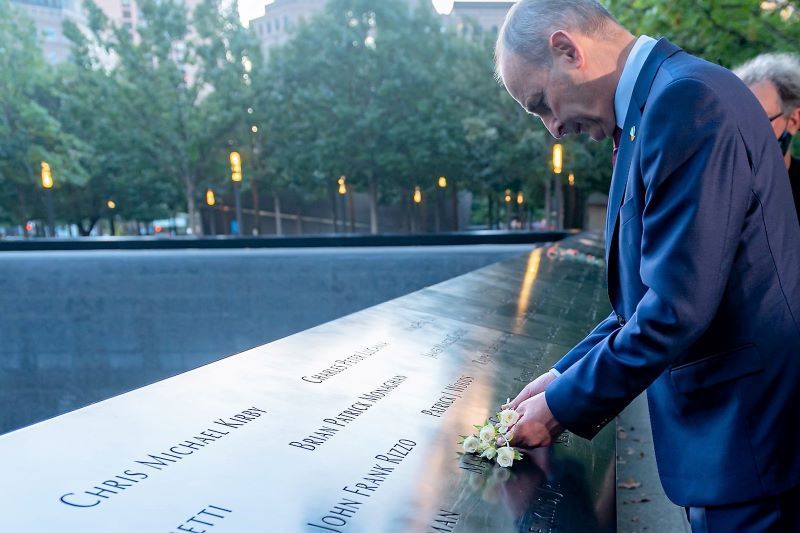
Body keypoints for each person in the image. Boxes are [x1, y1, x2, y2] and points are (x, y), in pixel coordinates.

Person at [494, 1, 800, 531]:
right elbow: (645, 293)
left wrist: (561, 405)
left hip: (748, 446)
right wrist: (561, 375)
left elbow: (676, 308)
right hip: (733, 446)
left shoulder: (686, 102)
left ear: (568, 50)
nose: (554, 129)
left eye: (542, 103)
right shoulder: (657, 106)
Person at [734, 53, 800, 224]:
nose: (747, 132)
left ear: (793, 120)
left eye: (761, 120)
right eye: (739, 121)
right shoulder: (721, 189)